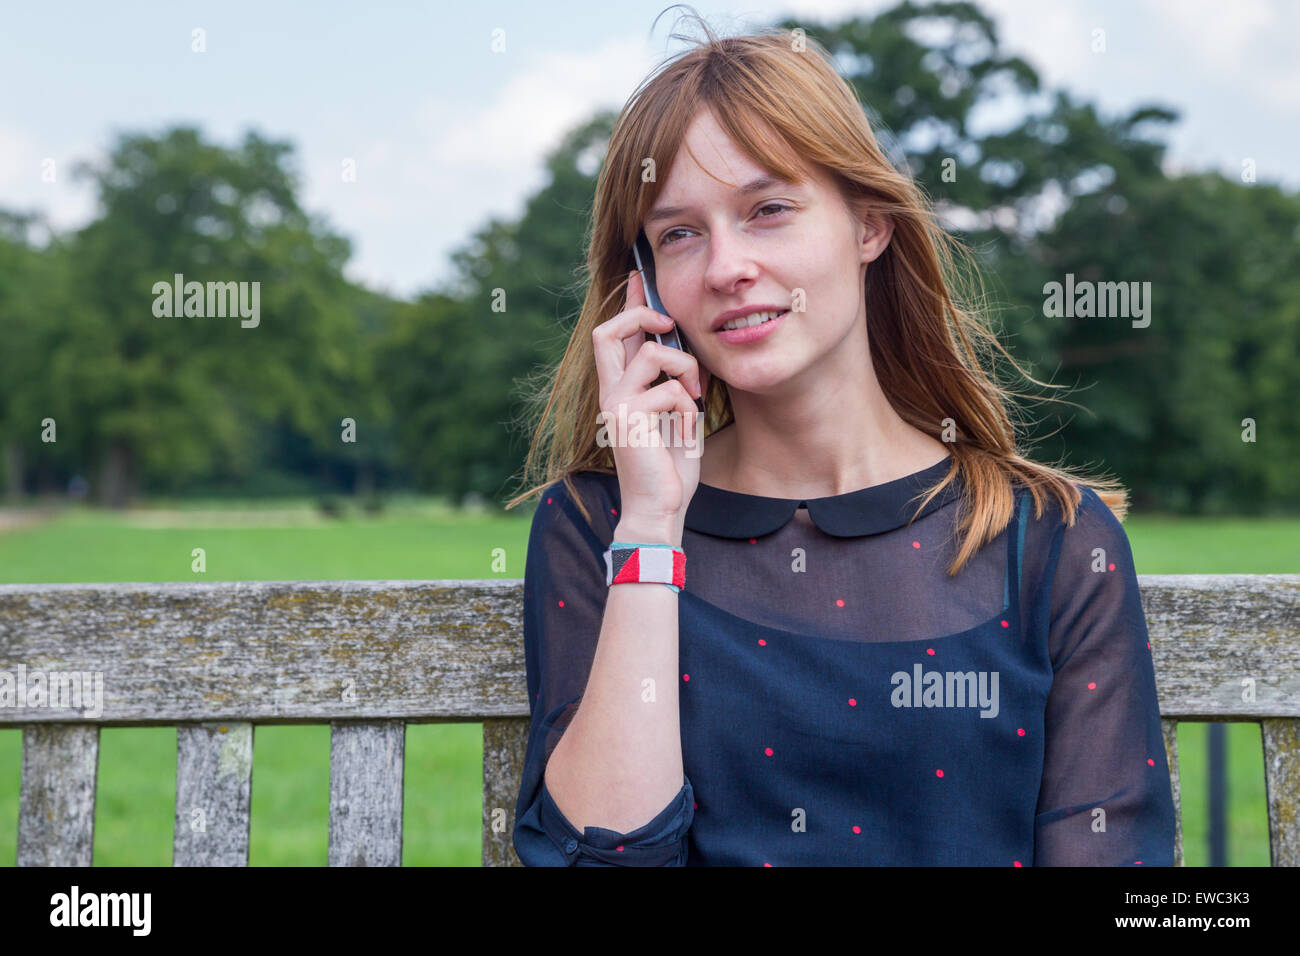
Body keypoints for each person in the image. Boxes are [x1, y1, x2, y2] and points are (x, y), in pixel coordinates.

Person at [503, 22, 1176, 866]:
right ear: (643, 287)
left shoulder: (1048, 537)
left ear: (870, 225)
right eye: (678, 233)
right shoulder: (599, 521)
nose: (726, 267)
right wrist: (650, 528)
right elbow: (606, 857)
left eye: (768, 210)